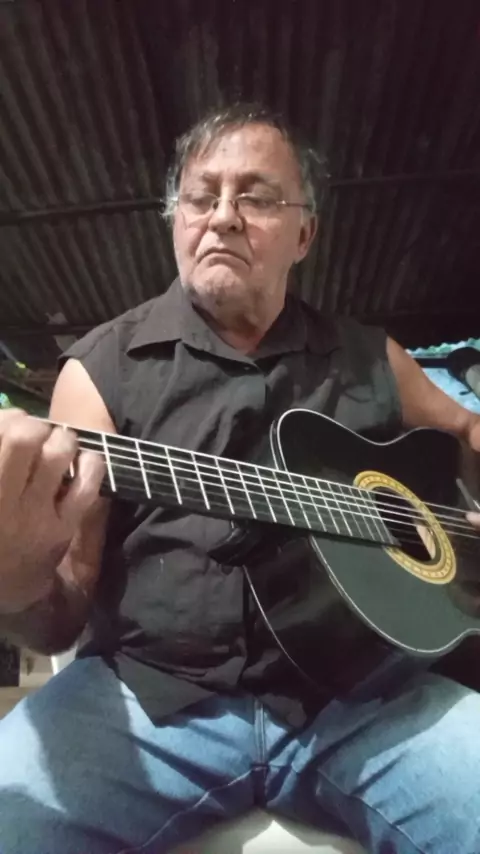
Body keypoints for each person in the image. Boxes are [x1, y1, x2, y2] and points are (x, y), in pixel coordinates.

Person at [0, 103, 479, 854]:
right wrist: (17, 579)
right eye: (200, 196)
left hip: (365, 700)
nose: (221, 216)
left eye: (256, 197)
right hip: (151, 698)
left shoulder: (371, 357)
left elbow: (464, 431)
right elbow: (58, 619)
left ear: (305, 234)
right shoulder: (99, 369)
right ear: (176, 222)